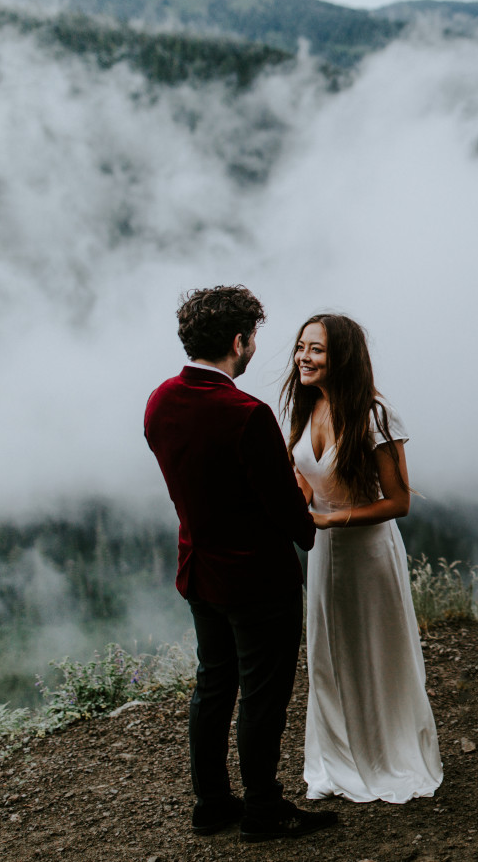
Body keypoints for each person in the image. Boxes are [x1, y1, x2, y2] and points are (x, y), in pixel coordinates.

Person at [143, 285, 338, 842]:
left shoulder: (160, 399)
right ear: (238, 341)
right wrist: (304, 504)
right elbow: (289, 517)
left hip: (199, 571)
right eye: (253, 338)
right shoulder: (246, 414)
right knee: (261, 696)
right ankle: (264, 809)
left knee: (212, 687)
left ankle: (211, 804)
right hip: (256, 579)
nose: (255, 348)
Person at [281, 313, 444, 803]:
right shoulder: (307, 407)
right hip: (323, 553)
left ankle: (386, 755)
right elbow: (308, 479)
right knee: (328, 657)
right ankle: (337, 758)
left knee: (377, 653)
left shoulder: (375, 416)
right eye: (302, 347)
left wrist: (331, 519)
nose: (304, 358)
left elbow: (399, 502)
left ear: (342, 358)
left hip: (368, 552)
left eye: (317, 350)